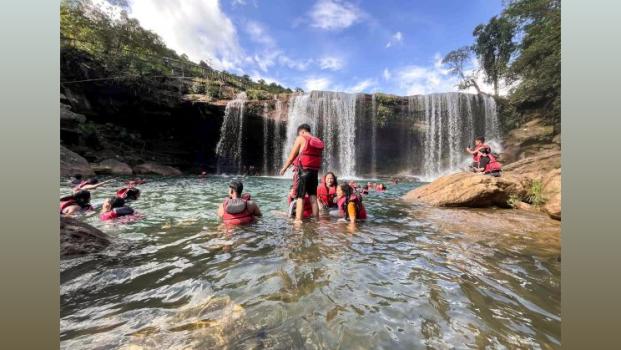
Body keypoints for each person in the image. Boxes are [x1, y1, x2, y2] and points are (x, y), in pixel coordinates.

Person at [279, 123, 324, 222]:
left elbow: (292, 156)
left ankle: (298, 220)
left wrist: (284, 168)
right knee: (313, 196)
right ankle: (317, 219)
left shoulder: (301, 138)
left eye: (299, 133)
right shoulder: (317, 140)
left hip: (303, 172)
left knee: (300, 197)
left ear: (302, 131)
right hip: (314, 172)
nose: (299, 135)